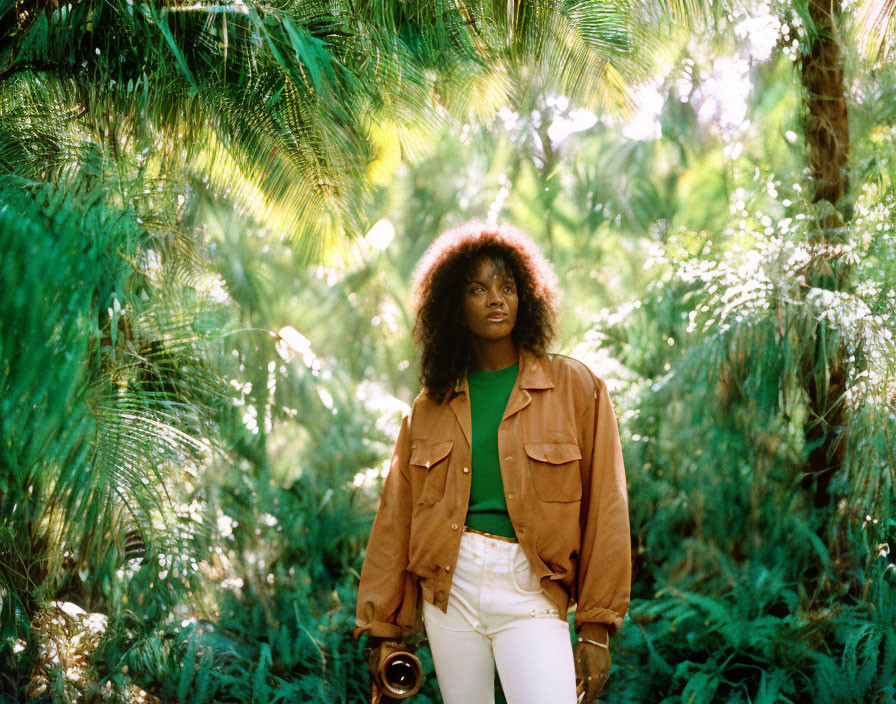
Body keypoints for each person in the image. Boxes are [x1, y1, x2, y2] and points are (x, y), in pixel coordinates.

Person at [354, 220, 631, 704]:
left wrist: (595, 628)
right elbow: (395, 522)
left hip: (532, 591)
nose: (495, 298)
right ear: (454, 307)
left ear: (527, 297)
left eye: (507, 286)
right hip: (450, 593)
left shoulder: (574, 388)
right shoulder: (429, 407)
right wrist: (383, 630)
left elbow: (608, 508)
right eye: (477, 288)